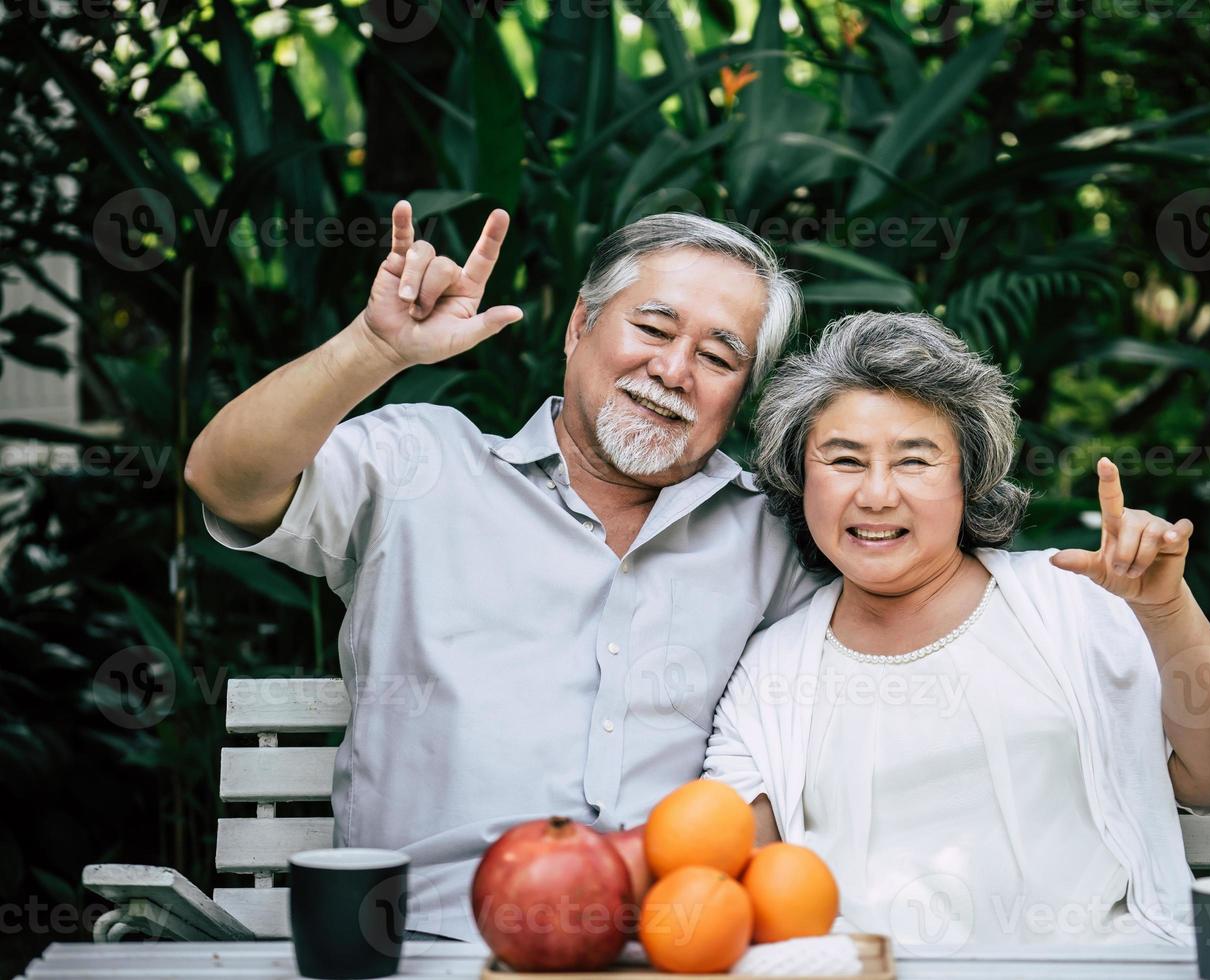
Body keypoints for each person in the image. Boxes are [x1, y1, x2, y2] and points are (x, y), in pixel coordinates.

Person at [184, 204, 829, 942]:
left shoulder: (774, 540)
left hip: (670, 947)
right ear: (577, 327)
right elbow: (224, 480)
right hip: (428, 943)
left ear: (740, 393)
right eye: (651, 328)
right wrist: (373, 348)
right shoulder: (418, 468)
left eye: (719, 358)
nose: (674, 370)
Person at [704, 311, 1210, 951]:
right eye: (843, 459)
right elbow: (735, 872)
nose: (875, 494)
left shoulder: (1073, 601)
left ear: (967, 478)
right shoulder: (769, 672)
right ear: (800, 479)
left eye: (914, 460)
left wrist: (1167, 612)